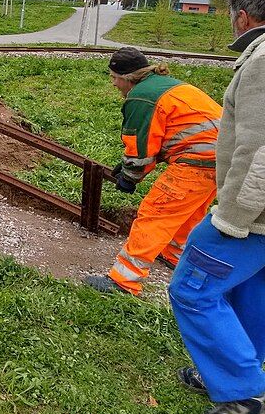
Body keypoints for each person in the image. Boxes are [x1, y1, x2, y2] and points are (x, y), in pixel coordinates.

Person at [169, 0, 265, 414]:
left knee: (191, 289)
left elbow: (260, 149)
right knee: (253, 290)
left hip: (252, 214)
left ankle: (244, 393)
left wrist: (231, 217)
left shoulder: (263, 59)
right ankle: (229, 373)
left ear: (242, 16)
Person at [85, 47, 221, 295]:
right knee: (188, 213)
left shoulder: (140, 97)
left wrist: (130, 176)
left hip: (197, 161)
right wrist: (131, 167)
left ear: (127, 78)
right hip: (223, 158)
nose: (113, 83)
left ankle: (125, 280)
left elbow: (141, 145)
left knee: (156, 213)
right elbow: (167, 135)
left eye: (113, 77)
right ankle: (175, 254)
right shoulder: (165, 85)